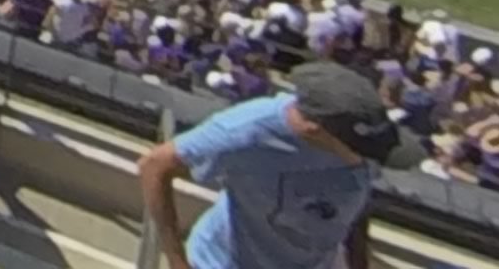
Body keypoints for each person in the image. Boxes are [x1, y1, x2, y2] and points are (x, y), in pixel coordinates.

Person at [140, 63, 407, 269]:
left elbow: (354, 204)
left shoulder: (364, 143)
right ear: (314, 130)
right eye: (360, 149)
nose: (367, 158)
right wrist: (178, 263)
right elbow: (155, 165)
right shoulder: (246, 132)